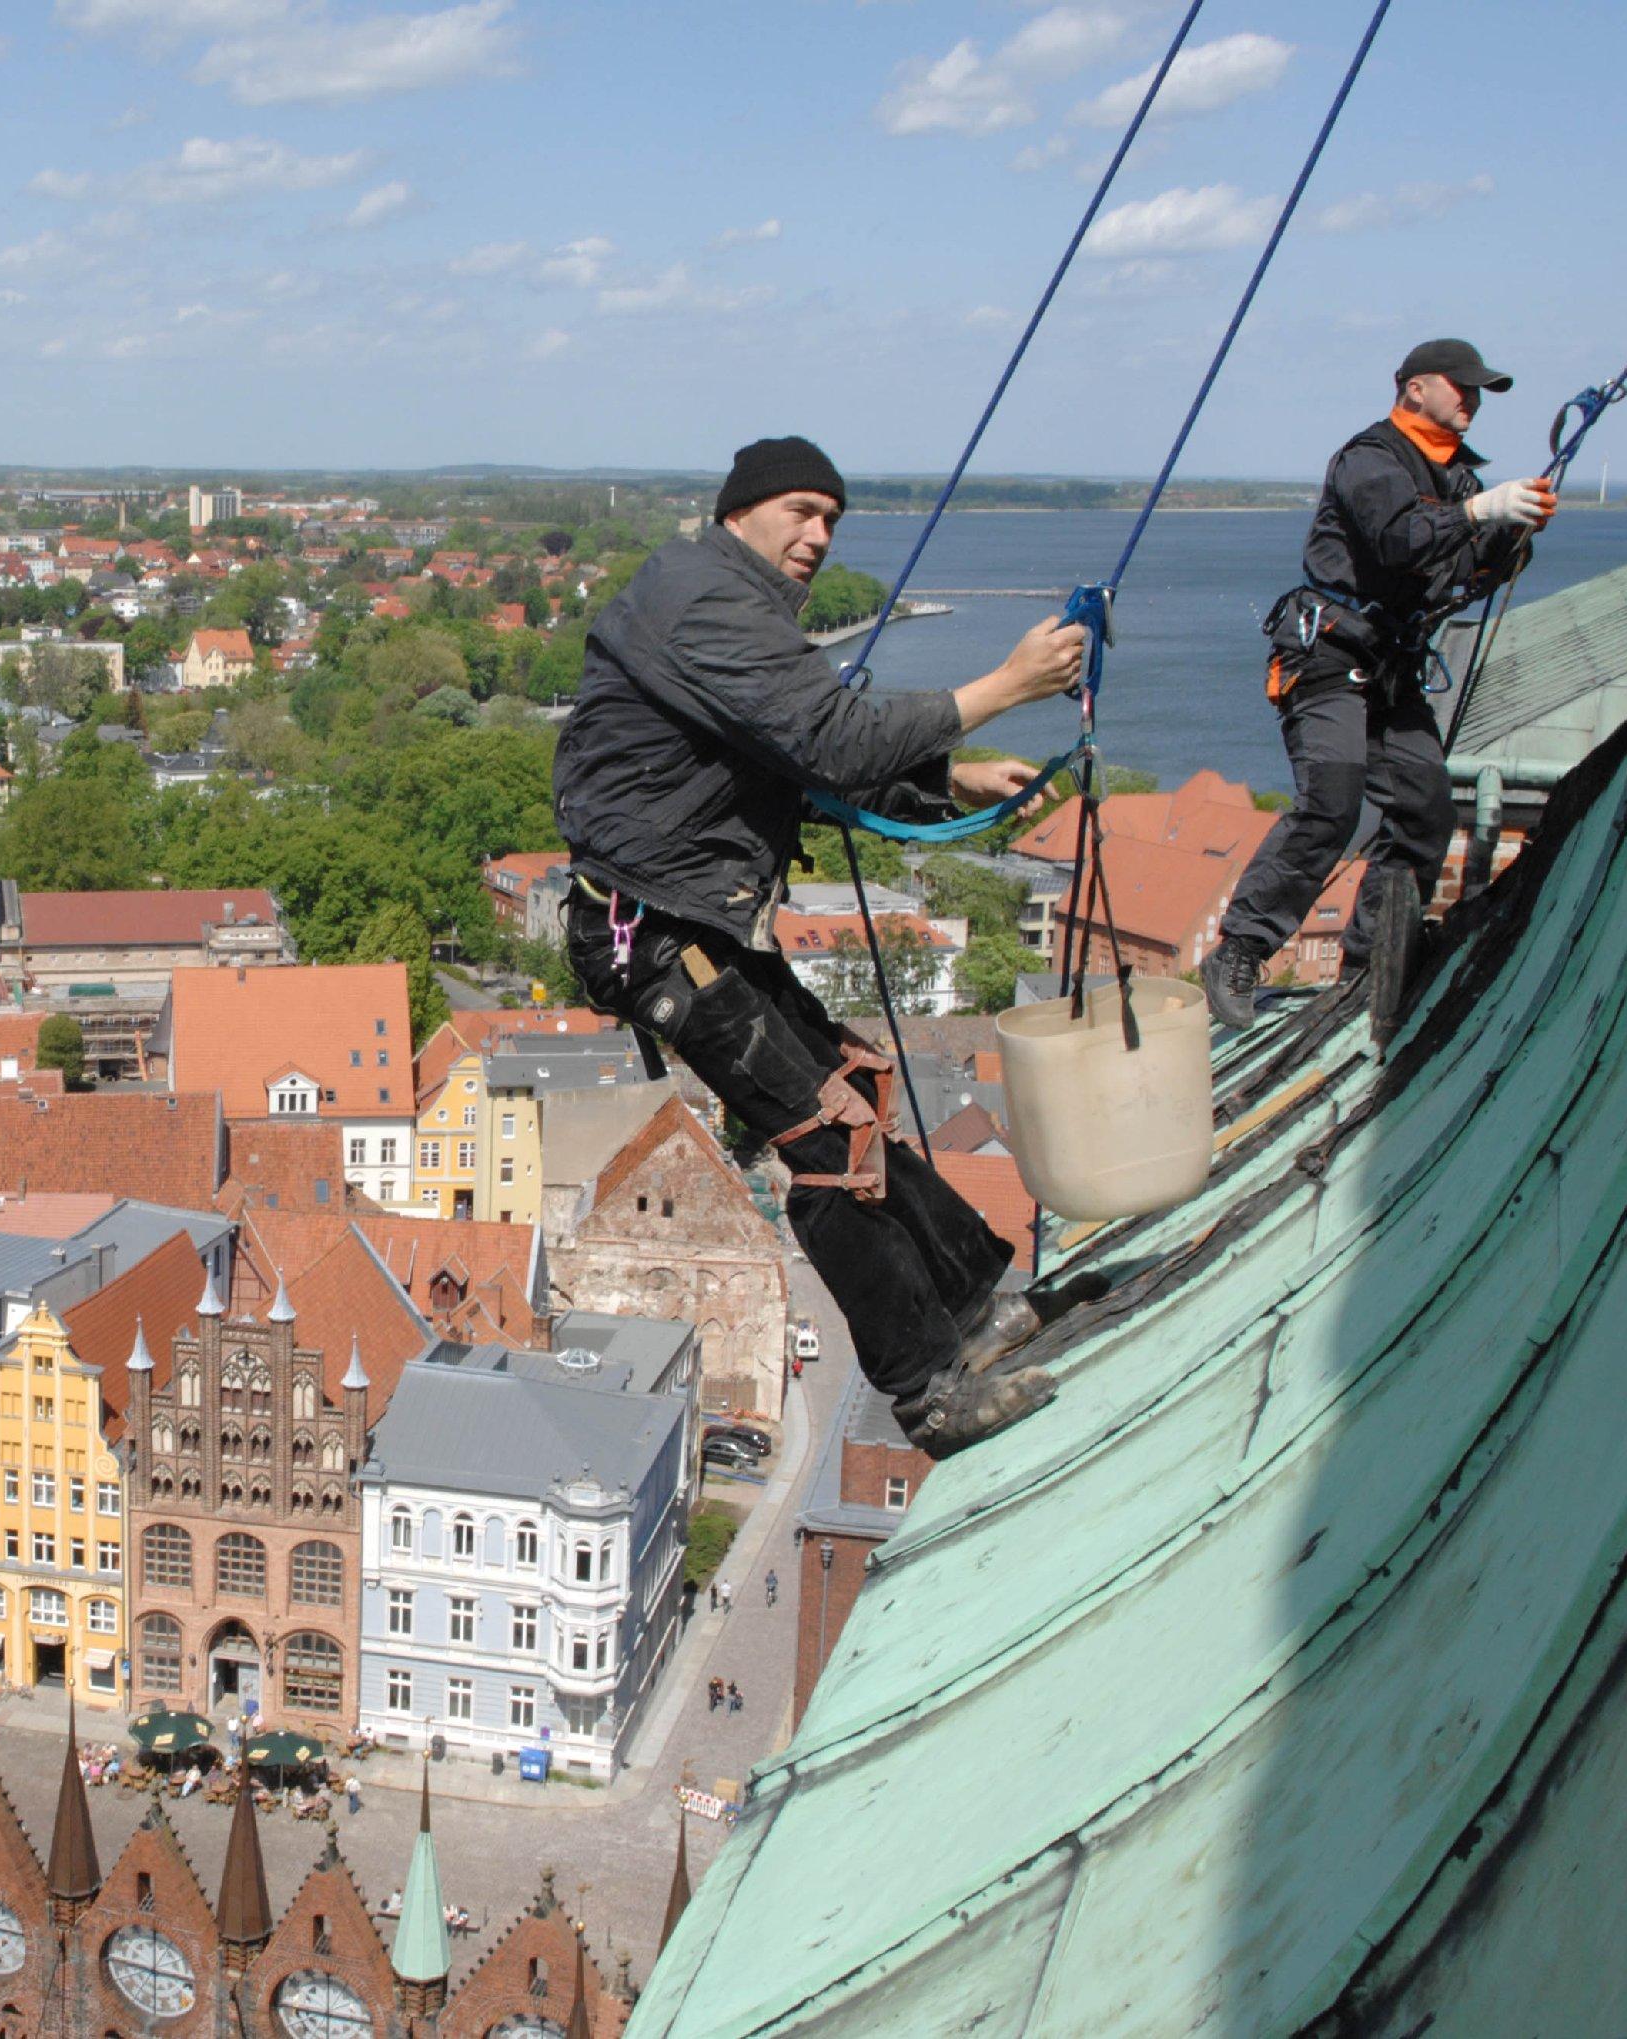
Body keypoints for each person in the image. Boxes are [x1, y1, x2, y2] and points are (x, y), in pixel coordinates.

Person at [557, 435, 1103, 1459]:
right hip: (658, 931)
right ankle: (926, 1392)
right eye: (802, 512)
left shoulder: (725, 600)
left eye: (833, 521)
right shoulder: (705, 599)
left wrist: (949, 779)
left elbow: (798, 758)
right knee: (827, 1138)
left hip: (690, 921)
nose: (818, 536)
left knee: (856, 1086)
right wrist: (1005, 685)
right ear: (742, 513)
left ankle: (972, 1304)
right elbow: (833, 739)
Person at [1202, 341, 1555, 1027]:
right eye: (1461, 387)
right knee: (1332, 804)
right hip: (1329, 658)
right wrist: (1484, 512)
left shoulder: (1453, 478)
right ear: (1414, 388)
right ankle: (1240, 950)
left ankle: (1368, 962)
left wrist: (1509, 534)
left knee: (1425, 810)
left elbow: (1454, 570)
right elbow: (1399, 540)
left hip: (1387, 665)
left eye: (1478, 392)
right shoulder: (1372, 459)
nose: (1471, 401)